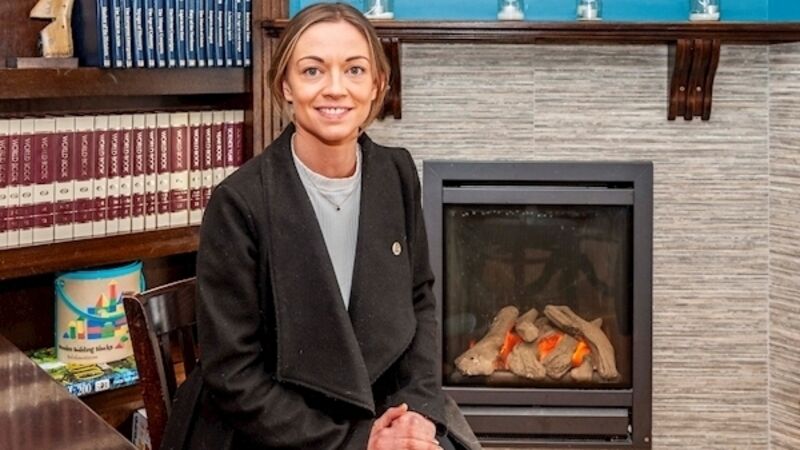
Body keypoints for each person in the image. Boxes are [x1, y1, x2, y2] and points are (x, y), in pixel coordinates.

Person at [161, 3, 480, 450]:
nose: (335, 88)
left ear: (377, 85)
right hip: (275, 429)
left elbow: (419, 301)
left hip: (379, 407)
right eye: (312, 71)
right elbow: (234, 375)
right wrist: (359, 442)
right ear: (285, 86)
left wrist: (419, 413)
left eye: (354, 70)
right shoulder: (238, 202)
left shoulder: (397, 173)